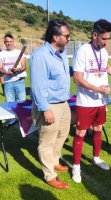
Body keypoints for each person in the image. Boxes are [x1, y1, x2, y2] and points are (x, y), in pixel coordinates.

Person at [72, 19, 111, 183]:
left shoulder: (103, 51)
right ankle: (76, 168)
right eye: (104, 39)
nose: (106, 42)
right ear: (94, 35)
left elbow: (106, 67)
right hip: (86, 102)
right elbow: (77, 79)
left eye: (108, 39)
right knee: (80, 133)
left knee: (98, 129)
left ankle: (96, 158)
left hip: (101, 101)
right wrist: (97, 89)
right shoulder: (82, 51)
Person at [30, 19, 71, 190]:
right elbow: (38, 86)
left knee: (62, 133)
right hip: (50, 105)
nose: (69, 38)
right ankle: (50, 176)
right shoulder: (40, 56)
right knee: (47, 141)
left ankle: (54, 161)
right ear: (56, 37)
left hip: (63, 103)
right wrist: (45, 109)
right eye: (66, 36)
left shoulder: (61, 53)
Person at [0, 34, 27, 102]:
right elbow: (0, 68)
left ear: (13, 41)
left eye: (10, 41)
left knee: (21, 104)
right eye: (7, 41)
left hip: (19, 81)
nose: (9, 43)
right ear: (4, 42)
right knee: (9, 106)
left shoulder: (19, 52)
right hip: (8, 83)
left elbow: (24, 66)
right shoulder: (1, 54)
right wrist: (6, 72)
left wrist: (18, 69)